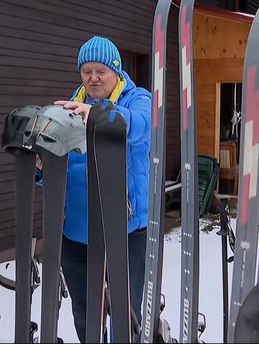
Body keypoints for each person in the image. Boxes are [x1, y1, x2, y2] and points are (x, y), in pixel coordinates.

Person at [53, 35, 152, 342]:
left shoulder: (138, 100)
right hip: (78, 232)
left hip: (124, 231)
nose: (93, 78)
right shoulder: (70, 108)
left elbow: (139, 126)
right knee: (85, 314)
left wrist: (96, 115)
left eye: (101, 71)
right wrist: (43, 169)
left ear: (117, 72)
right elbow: (61, 162)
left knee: (126, 313)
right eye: (86, 71)